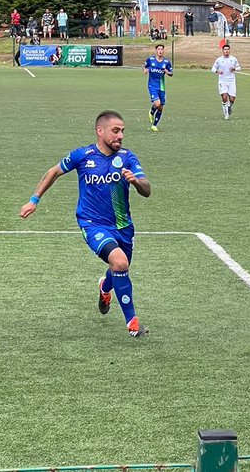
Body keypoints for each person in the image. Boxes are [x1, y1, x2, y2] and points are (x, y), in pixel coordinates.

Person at [19, 110, 152, 338]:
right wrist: (34, 200)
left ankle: (105, 287)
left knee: (120, 265)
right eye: (115, 131)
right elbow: (54, 172)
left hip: (123, 225)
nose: (120, 136)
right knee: (119, 262)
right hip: (92, 224)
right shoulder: (83, 155)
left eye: (122, 131)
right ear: (100, 131)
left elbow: (147, 190)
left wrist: (136, 182)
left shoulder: (128, 158)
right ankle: (133, 324)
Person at [144, 44, 174, 131]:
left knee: (161, 107)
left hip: (161, 86)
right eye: (158, 49)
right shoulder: (150, 60)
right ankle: (152, 111)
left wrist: (167, 72)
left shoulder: (166, 62)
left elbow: (171, 73)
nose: (160, 51)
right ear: (156, 50)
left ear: (163, 51)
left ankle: (154, 125)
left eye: (162, 49)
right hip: (152, 85)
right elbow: (145, 67)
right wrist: (145, 70)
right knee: (157, 104)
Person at [212, 44, 241, 119]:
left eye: (228, 49)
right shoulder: (219, 60)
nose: (226, 51)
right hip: (222, 80)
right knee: (224, 97)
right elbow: (213, 68)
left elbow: (239, 68)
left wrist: (234, 69)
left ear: (229, 50)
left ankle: (229, 107)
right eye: (225, 49)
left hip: (231, 80)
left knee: (232, 99)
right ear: (222, 50)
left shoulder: (233, 59)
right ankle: (226, 114)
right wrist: (217, 71)